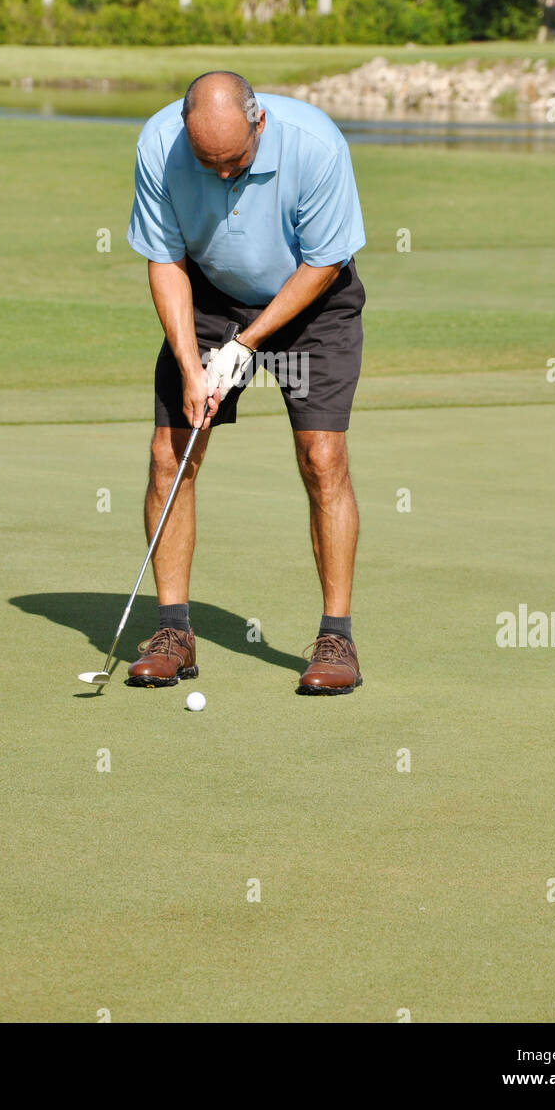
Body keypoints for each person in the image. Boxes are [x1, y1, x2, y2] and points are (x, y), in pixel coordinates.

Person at [125, 70, 367, 695]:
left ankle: (336, 637)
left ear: (258, 123)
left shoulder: (316, 146)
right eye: (210, 164)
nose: (224, 175)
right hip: (207, 293)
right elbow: (165, 260)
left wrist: (246, 346)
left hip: (311, 300)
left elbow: (324, 262)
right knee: (170, 452)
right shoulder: (158, 145)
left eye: (234, 161)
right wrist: (190, 366)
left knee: (323, 456)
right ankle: (173, 631)